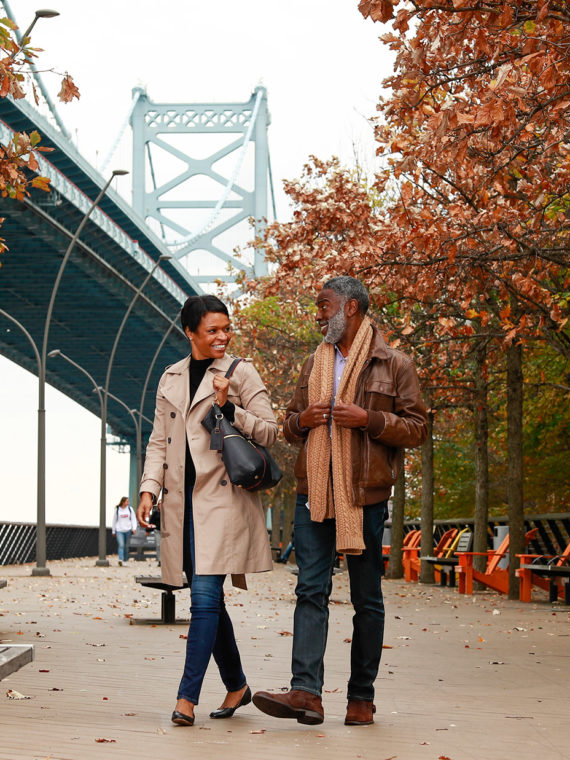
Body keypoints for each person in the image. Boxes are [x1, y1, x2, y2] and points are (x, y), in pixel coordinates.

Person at [253, 276, 428, 726]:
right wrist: (302, 421)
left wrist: (368, 418)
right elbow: (290, 424)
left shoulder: (395, 364)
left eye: (323, 305)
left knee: (367, 597)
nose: (317, 313)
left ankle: (361, 698)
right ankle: (306, 693)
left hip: (364, 497)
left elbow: (417, 428)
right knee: (310, 589)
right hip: (314, 492)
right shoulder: (314, 364)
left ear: (350, 308)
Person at [137, 294, 278, 727]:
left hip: (222, 502)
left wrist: (229, 405)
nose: (222, 337)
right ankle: (236, 684)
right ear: (191, 333)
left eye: (226, 328)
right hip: (182, 505)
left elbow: (271, 431)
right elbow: (159, 440)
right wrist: (148, 490)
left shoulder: (240, 372)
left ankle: (186, 700)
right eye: (212, 330)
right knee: (209, 599)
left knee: (202, 599)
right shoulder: (171, 377)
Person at [111, 496, 137, 565]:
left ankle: (125, 560)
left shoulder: (130, 509)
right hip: (119, 530)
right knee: (121, 545)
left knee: (126, 546)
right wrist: (113, 530)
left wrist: (134, 528)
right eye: (127, 501)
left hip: (128, 530)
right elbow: (114, 520)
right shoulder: (117, 510)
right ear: (123, 502)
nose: (128, 503)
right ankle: (120, 559)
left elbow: (133, 519)